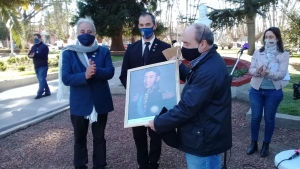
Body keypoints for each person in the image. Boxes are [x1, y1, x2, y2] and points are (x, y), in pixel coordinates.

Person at [148, 23, 232, 169]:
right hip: (204, 133)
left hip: (204, 141)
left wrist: (159, 122)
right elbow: (195, 82)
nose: (183, 48)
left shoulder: (209, 70)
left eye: (186, 43)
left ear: (203, 44)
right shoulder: (207, 62)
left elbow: (188, 107)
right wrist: (179, 66)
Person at [58, 16, 114, 169]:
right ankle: (80, 165)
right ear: (77, 33)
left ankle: (100, 165)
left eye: (89, 31)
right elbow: (66, 78)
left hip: (100, 102)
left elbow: (110, 72)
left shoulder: (103, 51)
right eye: (82, 31)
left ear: (95, 34)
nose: (86, 34)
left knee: (99, 138)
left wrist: (95, 72)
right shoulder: (68, 53)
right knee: (79, 139)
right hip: (80, 103)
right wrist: (84, 75)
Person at [119, 12, 171, 169]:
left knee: (156, 135)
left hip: (158, 102)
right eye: (141, 25)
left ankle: (153, 163)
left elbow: (171, 75)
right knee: (139, 136)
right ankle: (142, 164)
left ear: (154, 26)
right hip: (138, 102)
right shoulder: (131, 49)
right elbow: (123, 75)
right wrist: (133, 93)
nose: (144, 28)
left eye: (148, 25)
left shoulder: (166, 48)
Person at [246, 27, 289, 158]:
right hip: (256, 91)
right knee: (255, 117)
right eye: (266, 37)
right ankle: (254, 143)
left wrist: (269, 73)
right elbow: (251, 70)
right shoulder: (258, 53)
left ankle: (266, 144)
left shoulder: (283, 54)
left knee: (269, 119)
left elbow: (281, 74)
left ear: (277, 38)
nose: (268, 39)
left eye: (271, 37)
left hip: (273, 92)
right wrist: (257, 71)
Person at [28, 33, 51, 99]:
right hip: (36, 66)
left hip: (43, 66)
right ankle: (47, 92)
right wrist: (30, 56)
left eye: (36, 38)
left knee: (41, 80)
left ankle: (39, 93)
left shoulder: (44, 47)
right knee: (42, 80)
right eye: (34, 38)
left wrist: (35, 55)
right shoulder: (33, 47)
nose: (35, 40)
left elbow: (44, 56)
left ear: (40, 38)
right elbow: (30, 54)